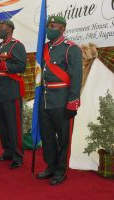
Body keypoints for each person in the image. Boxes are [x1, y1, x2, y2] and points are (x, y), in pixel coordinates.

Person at [37, 16, 82, 185]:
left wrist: (72, 102)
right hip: (46, 99)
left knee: (63, 138)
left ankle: (61, 170)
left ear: (62, 28)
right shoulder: (45, 48)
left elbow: (76, 78)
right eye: (48, 25)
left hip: (62, 100)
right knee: (47, 136)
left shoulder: (71, 49)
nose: (49, 28)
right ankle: (51, 166)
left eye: (53, 26)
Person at [0, 20, 27, 169]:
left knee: (13, 125)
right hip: (0, 91)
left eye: (2, 27)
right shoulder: (0, 46)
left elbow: (21, 67)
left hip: (12, 91)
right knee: (3, 125)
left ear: (10, 29)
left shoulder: (17, 45)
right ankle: (8, 151)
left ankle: (18, 156)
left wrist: (0, 63)